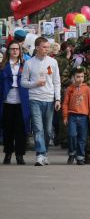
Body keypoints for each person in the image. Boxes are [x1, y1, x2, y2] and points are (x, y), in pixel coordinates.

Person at [64, 42, 90, 164]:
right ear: (86, 54)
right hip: (79, 103)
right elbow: (64, 78)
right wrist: (77, 84)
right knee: (82, 131)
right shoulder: (78, 65)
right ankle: (83, 154)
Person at [21, 37, 61, 166]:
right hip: (35, 99)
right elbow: (23, 82)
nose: (47, 49)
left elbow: (57, 82)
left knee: (48, 130)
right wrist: (35, 84)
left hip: (49, 99)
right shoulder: (29, 63)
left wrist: (57, 99)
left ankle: (45, 153)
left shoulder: (53, 62)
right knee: (38, 128)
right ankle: (39, 154)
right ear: (37, 47)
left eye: (48, 47)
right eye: (44, 47)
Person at [1, 40, 30, 165]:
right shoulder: (3, 66)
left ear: (20, 51)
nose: (14, 51)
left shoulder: (25, 65)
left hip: (21, 102)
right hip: (6, 101)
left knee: (21, 129)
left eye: (17, 49)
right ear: (8, 51)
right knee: (8, 130)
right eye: (12, 49)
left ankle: (20, 155)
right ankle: (8, 154)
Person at [62, 67, 90, 165]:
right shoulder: (69, 89)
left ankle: (80, 156)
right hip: (72, 115)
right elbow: (65, 104)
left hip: (83, 117)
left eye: (82, 76)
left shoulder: (87, 89)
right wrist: (65, 116)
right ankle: (72, 153)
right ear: (73, 77)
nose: (80, 79)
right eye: (77, 77)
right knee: (72, 135)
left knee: (82, 138)